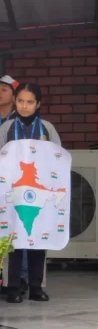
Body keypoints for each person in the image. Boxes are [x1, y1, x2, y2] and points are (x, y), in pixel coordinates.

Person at [0, 83, 61, 304]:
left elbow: (59, 158)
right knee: (13, 240)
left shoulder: (47, 128)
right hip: (13, 192)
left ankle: (36, 286)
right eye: (20, 101)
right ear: (15, 101)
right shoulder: (6, 128)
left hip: (39, 192)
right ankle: (13, 286)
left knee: (38, 237)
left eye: (30, 102)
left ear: (38, 104)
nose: (24, 106)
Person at [0, 76, 29, 294]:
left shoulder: (23, 120)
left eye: (4, 89)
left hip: (18, 183)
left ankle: (20, 277)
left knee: (20, 227)